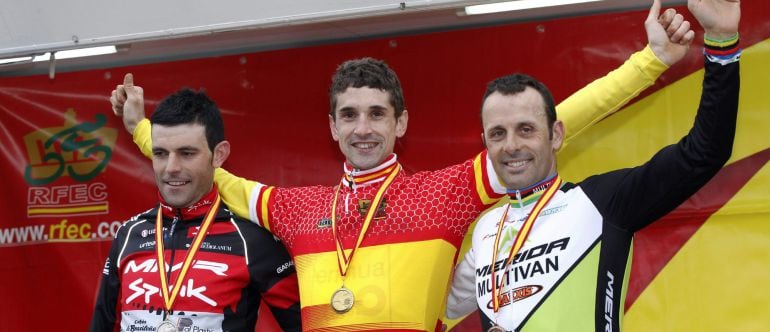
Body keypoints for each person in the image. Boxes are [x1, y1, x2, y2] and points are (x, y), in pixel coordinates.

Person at [112, 2, 695, 330]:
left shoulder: (445, 193)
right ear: (333, 127)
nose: (362, 128)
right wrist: (142, 128)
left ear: (402, 124)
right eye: (349, 115)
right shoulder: (297, 208)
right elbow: (206, 173)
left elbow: (547, 122)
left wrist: (648, 63)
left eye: (376, 114)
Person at [444, 0, 741, 331]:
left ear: (555, 135)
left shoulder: (601, 203)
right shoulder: (486, 231)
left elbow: (704, 152)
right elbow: (436, 302)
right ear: (486, 143)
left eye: (526, 129)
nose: (511, 145)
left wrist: (721, 39)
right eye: (498, 134)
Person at [90, 89, 302, 332]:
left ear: (219, 155)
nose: (171, 168)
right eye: (160, 153)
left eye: (187, 153)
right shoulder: (129, 234)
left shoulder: (250, 240)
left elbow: (308, 325)